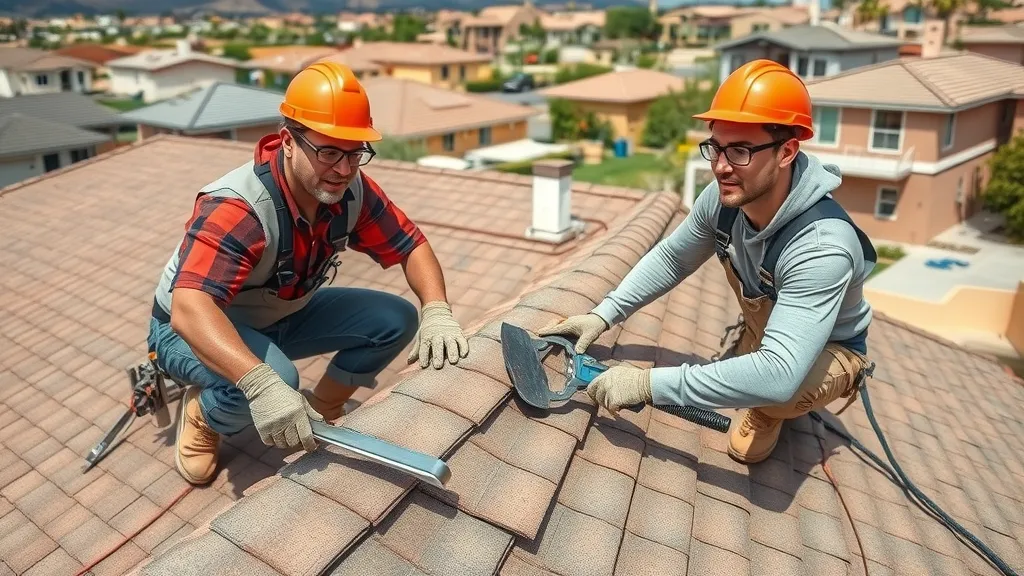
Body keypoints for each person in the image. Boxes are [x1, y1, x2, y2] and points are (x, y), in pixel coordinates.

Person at [147, 61, 470, 485]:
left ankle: (322, 410)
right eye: (328, 151)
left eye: (355, 153)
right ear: (287, 141)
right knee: (275, 379)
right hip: (187, 329)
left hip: (278, 314)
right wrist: (262, 385)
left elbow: (411, 245)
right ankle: (205, 416)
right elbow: (190, 309)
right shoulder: (239, 208)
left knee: (396, 320)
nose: (343, 169)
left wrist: (438, 309)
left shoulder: (349, 190)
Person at [540, 59, 877, 465]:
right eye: (716, 147)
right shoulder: (725, 200)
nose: (720, 167)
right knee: (749, 372)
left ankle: (770, 407)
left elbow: (779, 372)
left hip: (831, 345)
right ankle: (757, 350)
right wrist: (603, 314)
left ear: (787, 151)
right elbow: (671, 258)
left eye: (740, 151)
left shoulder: (822, 248)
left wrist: (648, 384)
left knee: (774, 397)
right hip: (770, 322)